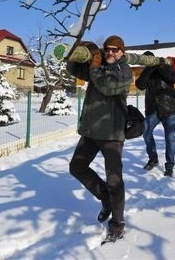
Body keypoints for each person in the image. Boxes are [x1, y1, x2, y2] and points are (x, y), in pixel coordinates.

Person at [67, 35, 133, 243]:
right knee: (77, 167)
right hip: (91, 131)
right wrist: (82, 50)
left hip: (112, 134)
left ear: (122, 52)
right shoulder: (99, 66)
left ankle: (118, 223)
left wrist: (95, 66)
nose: (111, 52)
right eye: (108, 49)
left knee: (114, 180)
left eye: (115, 49)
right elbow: (73, 69)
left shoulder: (124, 71)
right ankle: (105, 198)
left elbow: (107, 86)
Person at [134, 51, 175, 177]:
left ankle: (169, 165)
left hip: (169, 108)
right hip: (153, 109)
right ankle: (153, 159)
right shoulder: (146, 72)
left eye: (149, 60)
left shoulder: (165, 66)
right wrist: (149, 69)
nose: (147, 62)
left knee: (169, 138)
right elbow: (139, 85)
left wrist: (159, 66)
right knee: (146, 132)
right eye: (145, 60)